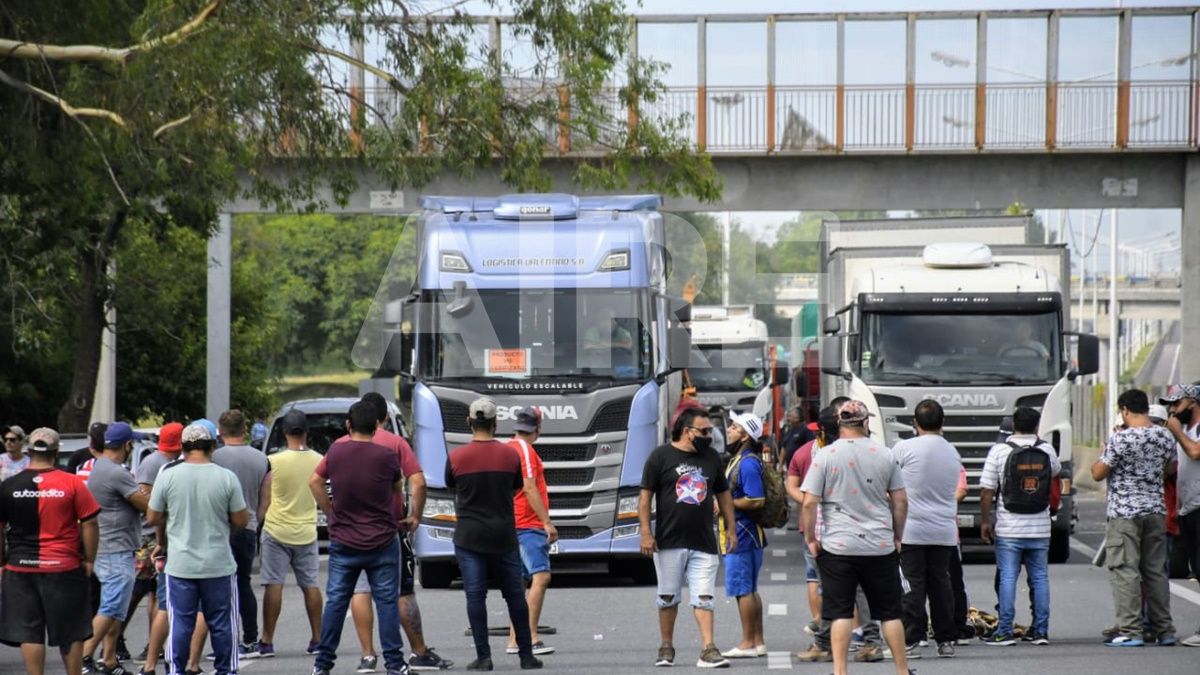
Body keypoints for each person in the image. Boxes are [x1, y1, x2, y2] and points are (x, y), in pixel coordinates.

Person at [800, 400, 912, 675]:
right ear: (865, 422)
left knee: (840, 612)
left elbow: (809, 503)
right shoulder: (884, 454)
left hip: (838, 546)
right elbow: (900, 500)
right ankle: (901, 670)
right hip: (879, 544)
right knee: (890, 613)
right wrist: (897, 536)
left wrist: (812, 539)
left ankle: (840, 671)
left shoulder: (825, 455)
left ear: (839, 423)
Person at [343, 392, 448, 673]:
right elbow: (419, 482)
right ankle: (418, 651)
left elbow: (320, 480)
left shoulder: (342, 444)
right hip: (389, 527)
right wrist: (415, 515)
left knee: (360, 590)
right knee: (400, 591)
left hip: (351, 529)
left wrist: (332, 514)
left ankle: (367, 655)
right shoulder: (395, 443)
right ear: (385, 418)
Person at [309, 401, 409, 675]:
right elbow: (397, 485)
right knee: (386, 602)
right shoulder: (386, 455)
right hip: (382, 539)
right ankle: (395, 663)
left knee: (336, 601)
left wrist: (331, 512)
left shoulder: (336, 451)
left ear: (348, 425)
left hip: (344, 539)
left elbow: (314, 481)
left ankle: (322, 664)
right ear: (376, 426)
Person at [445, 398, 542, 671]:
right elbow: (516, 487)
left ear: (469, 422)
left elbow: (452, 486)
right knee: (514, 595)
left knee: (476, 596)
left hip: (469, 537)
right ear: (495, 423)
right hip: (504, 536)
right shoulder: (510, 456)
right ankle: (526, 655)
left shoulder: (456, 457)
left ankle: (484, 657)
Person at [638, 406, 737, 669]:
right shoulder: (660, 457)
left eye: (710, 431)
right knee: (667, 597)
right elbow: (645, 497)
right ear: (686, 431)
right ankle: (666, 646)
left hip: (704, 542)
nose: (708, 436)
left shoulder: (712, 458)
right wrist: (646, 533)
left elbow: (723, 494)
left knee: (704, 597)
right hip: (668, 542)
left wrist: (731, 528)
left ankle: (708, 649)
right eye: (703, 431)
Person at [147, 422, 248, 675]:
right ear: (212, 447)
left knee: (181, 622)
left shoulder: (168, 476)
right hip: (218, 563)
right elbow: (241, 520)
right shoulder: (226, 477)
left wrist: (171, 523)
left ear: (182, 448)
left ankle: (176, 670)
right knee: (222, 623)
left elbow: (152, 517)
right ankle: (226, 670)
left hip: (180, 565)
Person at [0, 427, 100, 675]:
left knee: (29, 631)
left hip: (20, 567)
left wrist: (2, 561)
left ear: (28, 451)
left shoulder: (9, 485)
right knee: (71, 630)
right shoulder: (72, 483)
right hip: (64, 567)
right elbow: (90, 523)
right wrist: (89, 559)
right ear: (56, 452)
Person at [1090, 388, 1177, 647]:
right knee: (1155, 571)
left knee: (1125, 570)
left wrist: (1105, 452)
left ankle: (1131, 630)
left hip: (1125, 513)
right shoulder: (1164, 436)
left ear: (1125, 410)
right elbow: (1171, 468)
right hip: (1156, 510)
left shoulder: (1121, 439)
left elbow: (1097, 473)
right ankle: (1164, 630)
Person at [979, 406, 1060, 646]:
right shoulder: (1047, 450)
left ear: (1014, 425)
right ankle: (1040, 631)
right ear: (1037, 426)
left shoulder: (999, 451)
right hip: (1040, 527)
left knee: (1007, 577)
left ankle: (1004, 630)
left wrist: (986, 520)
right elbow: (1055, 472)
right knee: (1040, 577)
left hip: (1009, 527)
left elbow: (986, 490)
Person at [891, 400, 963, 658]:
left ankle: (912, 639)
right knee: (941, 585)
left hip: (911, 529)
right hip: (943, 530)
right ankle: (946, 640)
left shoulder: (903, 448)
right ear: (942, 422)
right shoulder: (952, 452)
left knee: (912, 585)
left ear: (915, 423)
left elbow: (889, 484)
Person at [83, 422, 152, 675]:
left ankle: (109, 659)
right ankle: (84, 657)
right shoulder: (115, 472)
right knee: (112, 605)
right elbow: (146, 506)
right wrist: (151, 496)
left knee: (117, 607)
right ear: (127, 445)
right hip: (115, 548)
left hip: (110, 546)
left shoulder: (101, 466)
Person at [258, 410, 323, 657]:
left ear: (284, 432)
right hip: (306, 531)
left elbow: (265, 499)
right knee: (311, 585)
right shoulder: (319, 460)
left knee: (274, 585)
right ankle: (317, 638)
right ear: (306, 431)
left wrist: (257, 523)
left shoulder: (273, 461)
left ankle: (267, 641)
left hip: (276, 530)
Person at [211, 409, 270, 658]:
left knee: (219, 586)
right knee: (244, 583)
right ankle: (251, 638)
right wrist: (256, 519)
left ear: (220, 431)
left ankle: (224, 641)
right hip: (248, 526)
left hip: (220, 528)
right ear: (245, 429)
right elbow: (266, 497)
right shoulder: (262, 459)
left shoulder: (214, 457)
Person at [503, 407, 558, 657]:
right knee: (541, 576)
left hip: (514, 522)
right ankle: (531, 638)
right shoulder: (524, 449)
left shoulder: (509, 447)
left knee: (521, 582)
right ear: (538, 428)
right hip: (527, 522)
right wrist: (546, 521)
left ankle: (515, 639)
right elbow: (528, 486)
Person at [719, 412, 768, 659]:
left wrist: (724, 504)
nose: (729, 429)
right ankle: (757, 642)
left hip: (741, 533)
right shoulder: (741, 459)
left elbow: (756, 500)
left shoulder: (747, 463)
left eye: (734, 427)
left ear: (746, 436)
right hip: (746, 533)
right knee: (750, 589)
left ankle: (748, 642)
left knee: (743, 590)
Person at [1161, 383, 1200, 647]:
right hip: (1188, 509)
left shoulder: (1188, 433)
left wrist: (1175, 431)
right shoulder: (1184, 431)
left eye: (1176, 404)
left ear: (1192, 403)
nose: (1172, 411)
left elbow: (1195, 452)